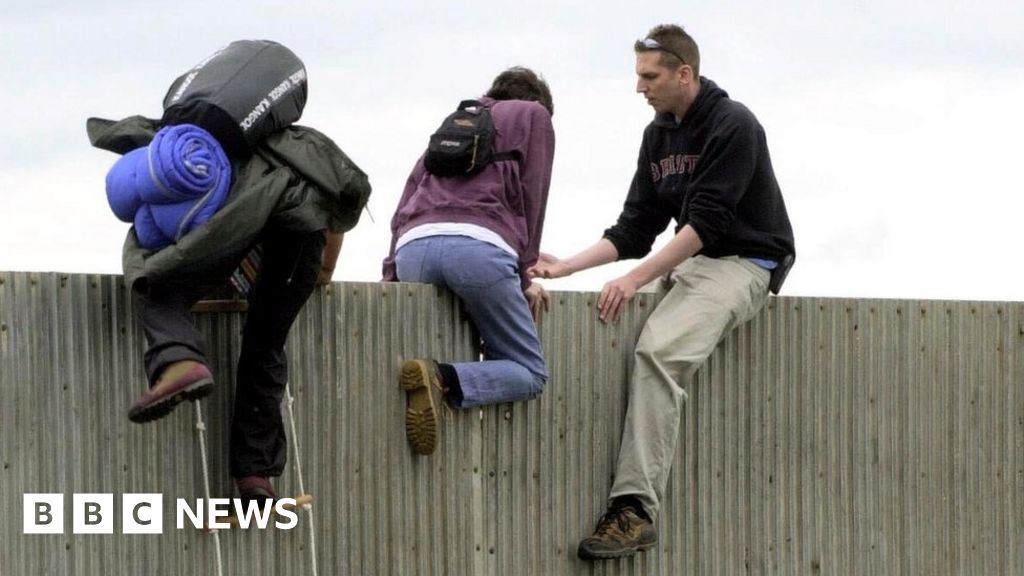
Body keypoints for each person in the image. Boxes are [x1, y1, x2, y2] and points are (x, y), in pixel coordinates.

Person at [529, 24, 795, 559]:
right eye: (637, 75)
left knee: (658, 352)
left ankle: (634, 510)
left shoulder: (733, 123)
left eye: (649, 76)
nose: (639, 87)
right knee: (609, 311)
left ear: (684, 73)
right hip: (692, 259)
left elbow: (709, 224)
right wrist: (568, 267)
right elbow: (635, 227)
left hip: (744, 261)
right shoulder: (658, 135)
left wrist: (634, 278)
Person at [88, 114, 370, 505]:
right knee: (265, 344)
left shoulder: (212, 146)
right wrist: (322, 273)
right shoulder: (305, 146)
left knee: (151, 281)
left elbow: (195, 236)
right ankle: (255, 476)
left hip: (235, 221)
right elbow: (335, 211)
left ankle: (178, 359)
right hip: (301, 238)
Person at [382, 66, 556, 455]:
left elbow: (408, 194)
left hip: (413, 249)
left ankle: (430, 383)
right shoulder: (534, 117)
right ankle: (441, 377)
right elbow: (533, 196)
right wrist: (525, 278)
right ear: (539, 103)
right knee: (529, 372)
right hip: (478, 252)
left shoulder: (458, 120)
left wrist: (390, 274)